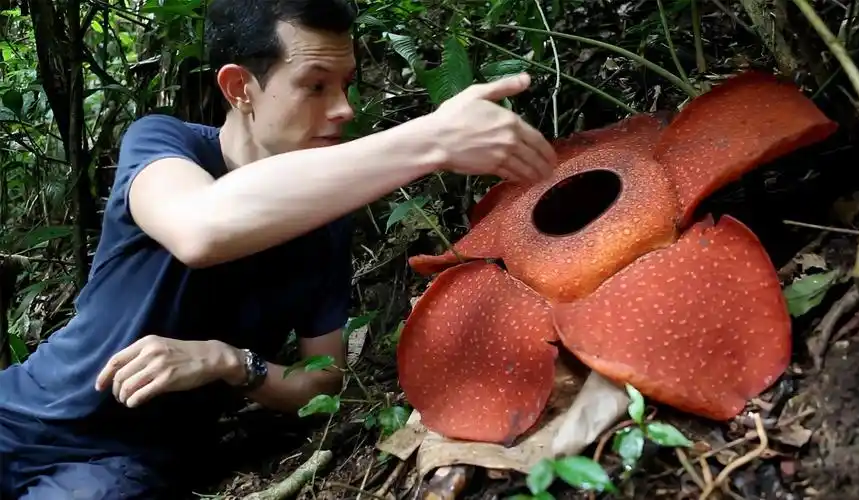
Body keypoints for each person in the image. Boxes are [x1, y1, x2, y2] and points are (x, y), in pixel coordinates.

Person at [0, 0, 556, 498]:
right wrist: (432, 138)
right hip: (19, 412)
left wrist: (228, 363)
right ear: (239, 88)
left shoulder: (325, 223)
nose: (343, 108)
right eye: (315, 86)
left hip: (123, 464)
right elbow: (200, 228)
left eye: (345, 84)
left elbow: (324, 381)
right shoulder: (164, 144)